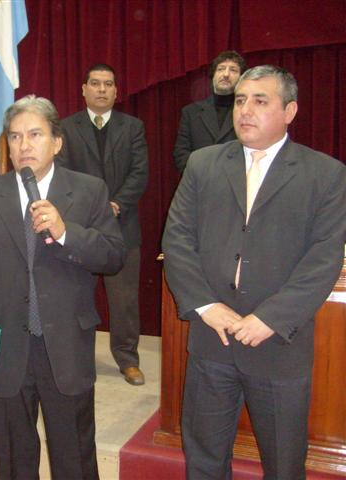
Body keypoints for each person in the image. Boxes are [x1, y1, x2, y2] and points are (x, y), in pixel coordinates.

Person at [162, 66, 346, 479]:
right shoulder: (203, 163)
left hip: (278, 346)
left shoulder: (325, 174)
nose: (245, 110)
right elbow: (177, 240)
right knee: (204, 461)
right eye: (241, 100)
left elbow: (324, 258)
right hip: (212, 339)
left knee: (283, 465)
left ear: (290, 111)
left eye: (260, 101)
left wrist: (270, 318)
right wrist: (206, 306)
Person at [0, 95, 126, 479]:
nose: (24, 145)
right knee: (13, 455)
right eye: (15, 137)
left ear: (57, 142)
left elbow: (114, 256)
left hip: (65, 344)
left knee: (74, 455)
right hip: (4, 344)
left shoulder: (89, 190)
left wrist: (66, 233)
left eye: (34, 134)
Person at [58, 63, 149, 386]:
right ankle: (71, 355)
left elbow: (140, 173)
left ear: (116, 91)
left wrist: (116, 205)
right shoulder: (66, 128)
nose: (101, 89)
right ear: (83, 89)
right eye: (95, 83)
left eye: (108, 84)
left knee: (124, 301)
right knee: (73, 296)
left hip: (123, 226)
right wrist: (92, 210)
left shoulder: (133, 127)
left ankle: (128, 360)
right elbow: (62, 174)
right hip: (78, 228)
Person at [173, 50, 247, 173]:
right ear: (213, 76)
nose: (226, 74)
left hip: (237, 181)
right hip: (199, 181)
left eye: (233, 70)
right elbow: (181, 155)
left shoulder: (249, 112)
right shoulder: (190, 112)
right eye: (221, 69)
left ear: (241, 78)